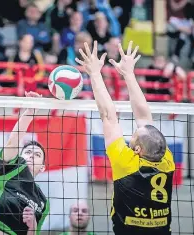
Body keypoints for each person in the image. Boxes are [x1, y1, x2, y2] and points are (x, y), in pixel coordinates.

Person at [75, 41, 175, 234]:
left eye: (133, 136)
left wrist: (94, 73)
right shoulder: (166, 160)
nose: (131, 135)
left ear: (138, 150)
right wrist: (129, 74)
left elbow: (108, 116)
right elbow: (144, 118)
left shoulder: (127, 162)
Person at [0, 91, 50, 235]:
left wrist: (32, 226)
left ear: (42, 167)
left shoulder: (43, 203)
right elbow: (13, 140)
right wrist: (30, 112)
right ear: (20, 157)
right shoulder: (11, 167)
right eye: (28, 152)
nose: (32, 156)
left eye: (37, 154)